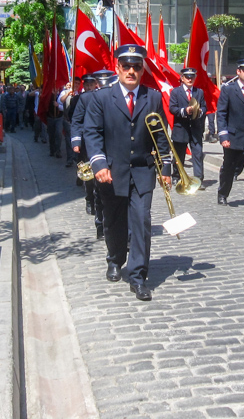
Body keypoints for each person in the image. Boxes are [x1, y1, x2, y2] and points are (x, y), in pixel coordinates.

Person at [83, 45, 171, 302]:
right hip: (111, 172)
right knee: (114, 221)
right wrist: (99, 165)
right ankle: (115, 259)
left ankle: (138, 277)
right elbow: (92, 133)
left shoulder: (152, 97)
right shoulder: (101, 98)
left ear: (142, 70)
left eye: (137, 67)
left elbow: (160, 134)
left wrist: (165, 167)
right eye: (127, 66)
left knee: (142, 222)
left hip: (143, 171)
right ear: (117, 68)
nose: (132, 71)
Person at [72, 70, 113, 239]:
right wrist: (76, 141)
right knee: (94, 184)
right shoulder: (86, 98)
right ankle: (99, 223)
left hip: (112, 147)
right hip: (92, 146)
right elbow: (77, 120)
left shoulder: (116, 96)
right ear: (97, 83)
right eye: (101, 82)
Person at [216, 59, 244, 212]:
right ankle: (223, 193)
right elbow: (221, 113)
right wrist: (223, 136)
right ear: (238, 72)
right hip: (233, 137)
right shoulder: (228, 89)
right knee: (229, 168)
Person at [168, 67, 207, 190]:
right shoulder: (176, 92)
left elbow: (205, 107)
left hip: (195, 128)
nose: (190, 79)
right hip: (181, 128)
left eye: (192, 77)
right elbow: (172, 108)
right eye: (187, 77)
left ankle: (198, 179)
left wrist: (199, 111)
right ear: (182, 78)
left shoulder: (199, 92)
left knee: (198, 153)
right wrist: (184, 111)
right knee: (179, 155)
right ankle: (176, 176)